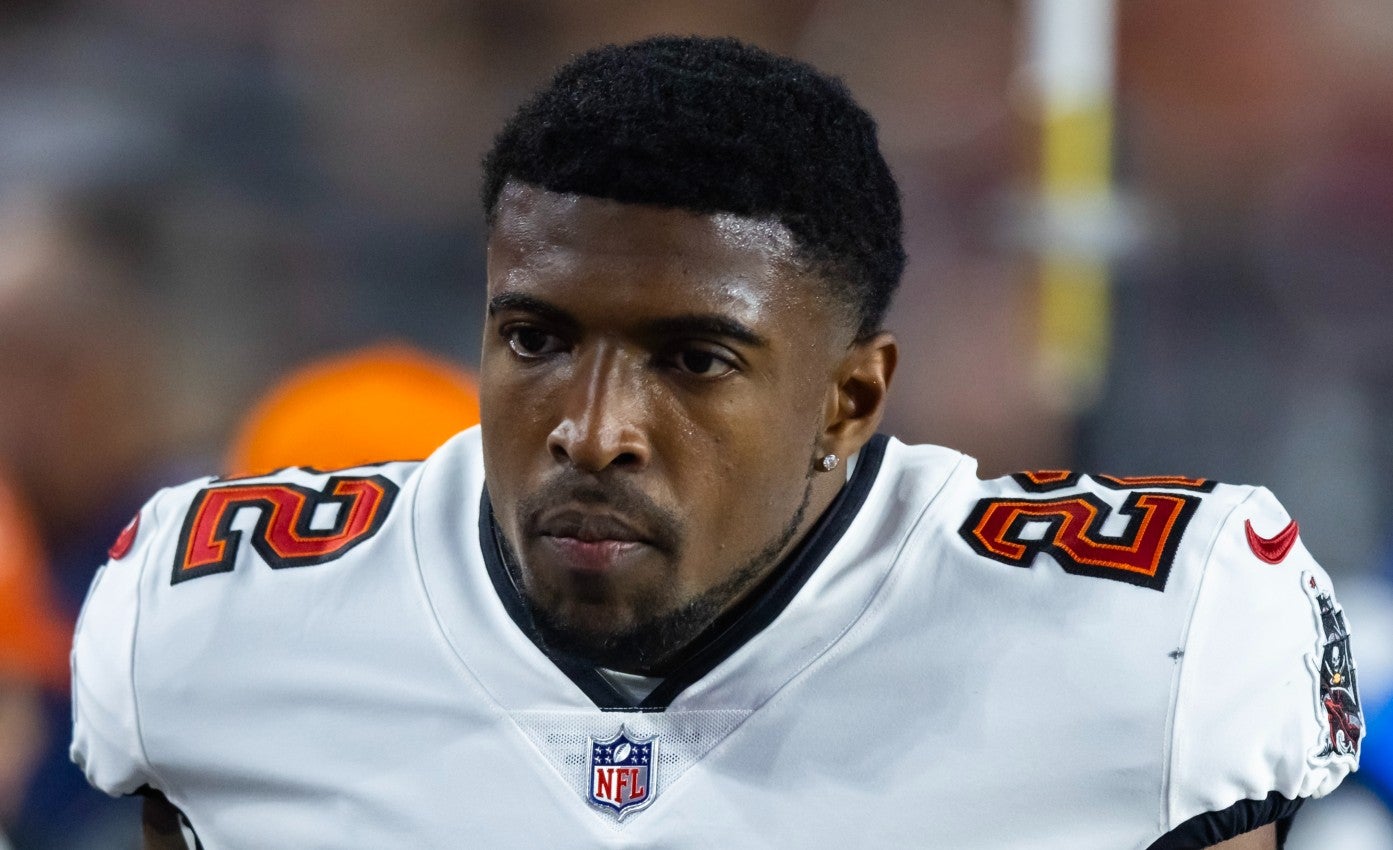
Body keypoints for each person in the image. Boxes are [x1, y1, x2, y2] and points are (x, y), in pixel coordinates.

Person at [70, 36, 1360, 849]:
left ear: (850, 403)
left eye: (695, 360)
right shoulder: (215, 623)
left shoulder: (1156, 644)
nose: (594, 429)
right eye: (535, 340)